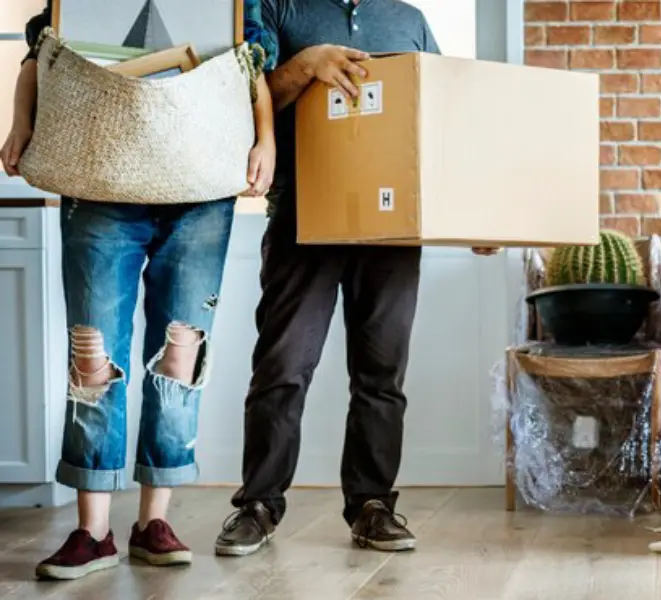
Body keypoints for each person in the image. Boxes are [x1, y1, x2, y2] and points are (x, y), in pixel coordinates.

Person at [1, 4, 277, 581]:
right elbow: (40, 57)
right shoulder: (81, 4)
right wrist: (20, 122)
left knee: (180, 359)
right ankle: (93, 532)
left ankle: (154, 524)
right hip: (100, 182)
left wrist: (266, 140)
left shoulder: (228, 7)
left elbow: (251, 70)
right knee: (92, 357)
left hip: (200, 192)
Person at [213, 0, 496, 558]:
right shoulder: (279, 7)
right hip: (303, 217)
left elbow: (441, 122)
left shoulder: (409, 21)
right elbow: (245, 100)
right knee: (283, 367)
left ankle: (372, 506)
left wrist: (476, 212)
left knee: (381, 375)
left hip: (392, 229)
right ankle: (259, 504)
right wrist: (306, 64)